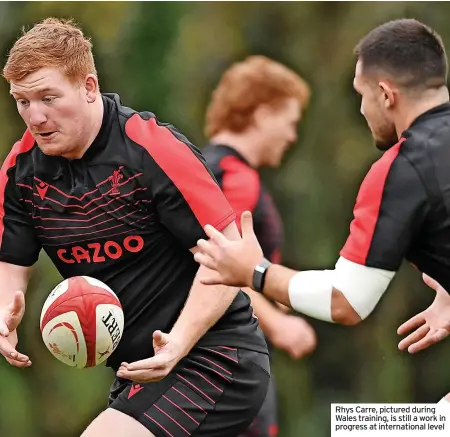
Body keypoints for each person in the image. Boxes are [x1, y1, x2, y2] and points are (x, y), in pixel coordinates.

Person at [0, 18, 270, 437]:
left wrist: (178, 343)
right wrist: (4, 314)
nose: (34, 116)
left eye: (48, 97)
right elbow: (10, 260)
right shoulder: (21, 172)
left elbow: (228, 257)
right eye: (22, 101)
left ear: (89, 87)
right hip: (139, 373)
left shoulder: (152, 148)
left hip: (214, 357)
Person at [193, 18, 450, 400]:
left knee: (376, 426)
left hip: (221, 368)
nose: (361, 110)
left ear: (385, 94)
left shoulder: (403, 168)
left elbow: (344, 300)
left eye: (361, 95)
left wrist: (254, 272)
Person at [202, 56, 317, 437]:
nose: (292, 136)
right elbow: (221, 267)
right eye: (290, 121)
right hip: (229, 358)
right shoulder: (237, 176)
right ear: (263, 113)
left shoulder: (201, 168)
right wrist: (280, 324)